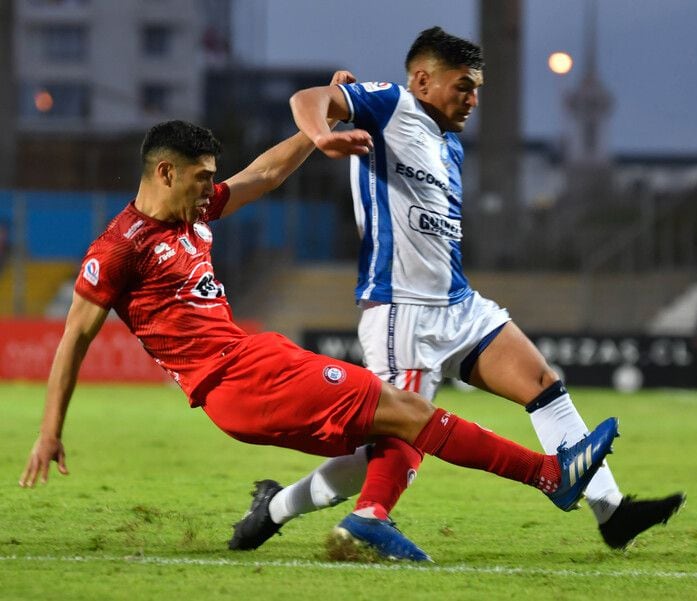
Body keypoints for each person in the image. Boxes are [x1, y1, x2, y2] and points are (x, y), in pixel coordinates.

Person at [17, 92, 620, 563]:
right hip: (239, 381)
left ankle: (280, 510)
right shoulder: (119, 248)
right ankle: (550, 476)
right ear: (166, 173)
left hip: (255, 363)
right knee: (404, 408)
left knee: (386, 432)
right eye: (202, 177)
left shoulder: (193, 211)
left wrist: (317, 135)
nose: (211, 189)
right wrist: (49, 433)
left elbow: (264, 175)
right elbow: (74, 340)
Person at [282, 26, 684, 551]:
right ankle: (295, 510)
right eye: (463, 86)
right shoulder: (392, 103)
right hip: (404, 309)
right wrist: (322, 134)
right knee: (398, 440)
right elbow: (308, 97)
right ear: (423, 80)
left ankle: (611, 513)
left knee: (542, 381)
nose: (473, 100)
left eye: (477, 89)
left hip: (459, 305)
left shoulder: (448, 142)